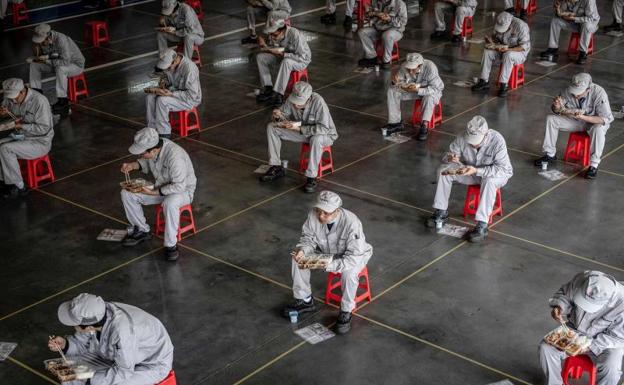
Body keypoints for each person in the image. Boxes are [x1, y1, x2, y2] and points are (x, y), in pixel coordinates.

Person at [283, 191, 373, 334]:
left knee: (349, 274)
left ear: (337, 211)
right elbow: (308, 238)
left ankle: (346, 311)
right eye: (319, 210)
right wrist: (303, 251)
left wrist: (329, 265)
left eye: (326, 213)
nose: (320, 216)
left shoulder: (352, 223)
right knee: (297, 260)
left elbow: (353, 257)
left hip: (353, 256)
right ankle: (304, 300)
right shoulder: (313, 215)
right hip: (327, 252)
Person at [48, 293, 174, 385]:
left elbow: (124, 371)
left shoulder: (122, 333)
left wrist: (91, 380)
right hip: (118, 358)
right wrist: (65, 344)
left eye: (73, 323)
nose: (72, 325)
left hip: (148, 366)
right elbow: (81, 343)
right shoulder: (98, 313)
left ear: (89, 327)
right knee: (67, 370)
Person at [426, 115, 512, 243]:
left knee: (489, 181)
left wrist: (477, 170)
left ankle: (482, 225)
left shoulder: (497, 141)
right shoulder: (462, 137)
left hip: (496, 175)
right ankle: (441, 211)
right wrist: (450, 158)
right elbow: (447, 155)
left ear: (486, 134)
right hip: (470, 171)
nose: (473, 143)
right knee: (444, 171)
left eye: (476, 140)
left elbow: (502, 169)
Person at [119, 127, 196, 261]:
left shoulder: (175, 156)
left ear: (153, 150)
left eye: (142, 153)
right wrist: (132, 165)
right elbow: (146, 162)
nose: (140, 156)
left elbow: (179, 186)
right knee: (127, 193)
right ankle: (141, 230)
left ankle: (170, 245)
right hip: (160, 187)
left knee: (170, 202)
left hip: (182, 191)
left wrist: (154, 192)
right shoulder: (154, 148)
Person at [539, 271, 624, 385]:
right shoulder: (584, 278)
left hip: (606, 342)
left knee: (610, 368)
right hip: (574, 330)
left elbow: (618, 338)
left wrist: (590, 346)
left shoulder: (622, 304)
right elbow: (565, 294)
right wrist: (559, 306)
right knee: (546, 348)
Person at [259, 81, 338, 193]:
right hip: (303, 131)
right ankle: (276, 166)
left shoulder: (319, 102)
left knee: (316, 139)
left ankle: (311, 177)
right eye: (295, 101)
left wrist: (299, 129)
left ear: (309, 98)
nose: (296, 105)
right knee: (272, 127)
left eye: (299, 103)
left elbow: (324, 128)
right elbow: (283, 114)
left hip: (325, 135)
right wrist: (277, 116)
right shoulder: (292, 99)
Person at [534, 73, 612, 180]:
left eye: (578, 93)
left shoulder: (599, 93)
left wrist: (583, 117)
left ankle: (593, 165)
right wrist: (556, 106)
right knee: (551, 119)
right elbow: (558, 110)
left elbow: (605, 119)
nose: (575, 95)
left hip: (595, 122)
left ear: (588, 89)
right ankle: (550, 154)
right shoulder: (568, 91)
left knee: (598, 129)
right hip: (578, 121)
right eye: (574, 91)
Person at [0, 78, 54, 199]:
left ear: (23, 91)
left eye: (15, 97)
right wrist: (3, 110)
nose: (12, 100)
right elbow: (5, 105)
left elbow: (44, 128)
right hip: (21, 136)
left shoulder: (40, 101)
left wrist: (22, 125)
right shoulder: (11, 97)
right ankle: (6, 182)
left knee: (6, 149)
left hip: (39, 141)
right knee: (1, 146)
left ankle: (20, 187)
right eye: (10, 97)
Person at [383, 52, 444, 141]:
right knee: (392, 90)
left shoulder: (430, 67)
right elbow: (398, 81)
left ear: (420, 65)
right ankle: (395, 123)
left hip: (430, 91)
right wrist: (394, 82)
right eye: (409, 68)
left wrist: (418, 90)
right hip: (413, 90)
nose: (410, 71)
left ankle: (424, 125)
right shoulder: (404, 66)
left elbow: (436, 88)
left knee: (428, 97)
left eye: (413, 68)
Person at [29, 23, 85, 116]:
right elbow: (53, 55)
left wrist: (47, 61)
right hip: (57, 63)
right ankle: (37, 95)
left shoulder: (61, 40)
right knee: (34, 64)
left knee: (60, 68)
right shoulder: (45, 41)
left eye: (42, 42)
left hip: (75, 65)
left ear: (48, 36)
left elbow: (65, 61)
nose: (41, 43)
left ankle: (63, 102)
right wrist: (38, 54)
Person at [471, 11, 530, 98]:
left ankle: (503, 85)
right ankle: (484, 81)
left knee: (508, 55)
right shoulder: (499, 22)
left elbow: (523, 47)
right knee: (487, 51)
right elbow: (495, 37)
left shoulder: (521, 26)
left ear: (510, 23)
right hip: (503, 48)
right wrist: (491, 41)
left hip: (519, 52)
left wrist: (508, 49)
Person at [145, 49, 201, 138]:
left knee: (162, 100)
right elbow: (159, 74)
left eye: (167, 67)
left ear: (175, 61)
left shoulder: (189, 69)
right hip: (173, 90)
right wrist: (159, 84)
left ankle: (164, 133)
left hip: (188, 99)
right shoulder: (171, 62)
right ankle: (152, 129)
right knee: (150, 97)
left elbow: (191, 95)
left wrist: (171, 93)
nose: (166, 69)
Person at [255, 18, 311, 107]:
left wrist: (284, 54)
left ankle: (278, 95)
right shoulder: (277, 35)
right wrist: (264, 44)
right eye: (270, 34)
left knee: (286, 62)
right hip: (285, 56)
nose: (272, 37)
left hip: (301, 61)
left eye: (274, 35)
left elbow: (302, 56)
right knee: (261, 57)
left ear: (282, 31)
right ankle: (268, 88)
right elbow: (273, 46)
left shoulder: (295, 35)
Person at [539, 0, 599, 65]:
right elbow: (560, 14)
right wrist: (558, 8)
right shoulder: (567, 0)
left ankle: (583, 53)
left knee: (586, 25)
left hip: (590, 24)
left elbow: (591, 18)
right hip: (575, 23)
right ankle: (553, 48)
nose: (568, 1)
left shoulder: (589, 1)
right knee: (555, 21)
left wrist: (574, 18)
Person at [357, 0, 408, 69]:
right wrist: (370, 14)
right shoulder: (375, 1)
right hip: (378, 29)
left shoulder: (400, 3)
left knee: (387, 35)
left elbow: (403, 22)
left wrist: (390, 19)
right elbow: (368, 15)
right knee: (362, 32)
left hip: (395, 30)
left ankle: (386, 61)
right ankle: (371, 57)